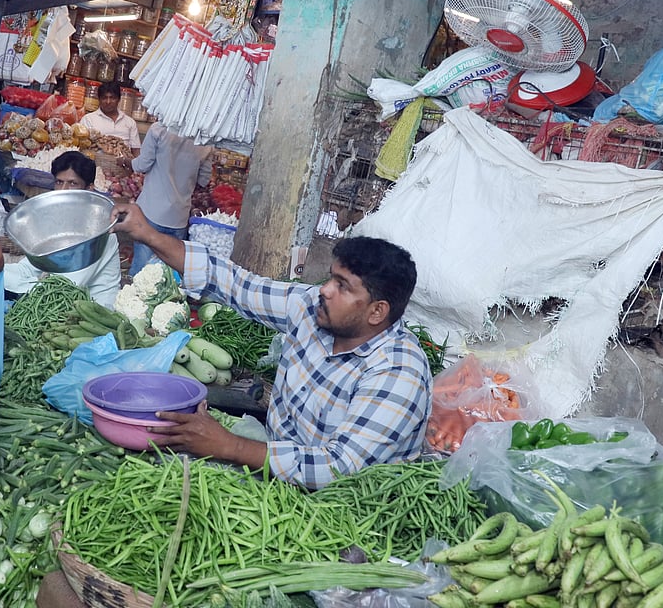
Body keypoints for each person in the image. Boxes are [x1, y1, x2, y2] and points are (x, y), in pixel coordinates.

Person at [110, 203, 431, 490]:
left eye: (342, 287)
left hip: (342, 506)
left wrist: (229, 446)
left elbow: (339, 467)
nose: (325, 291)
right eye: (331, 278)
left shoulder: (399, 371)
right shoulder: (310, 307)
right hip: (277, 462)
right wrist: (147, 233)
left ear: (377, 311)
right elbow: (234, 284)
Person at [4, 151, 122, 308]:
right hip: (61, 303)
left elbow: (65, 287)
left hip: (92, 316)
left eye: (73, 183)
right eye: (59, 182)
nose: (63, 190)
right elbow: (30, 267)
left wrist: (16, 284)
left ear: (89, 189)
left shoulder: (103, 233)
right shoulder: (57, 222)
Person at [128, 123, 212, 276]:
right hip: (179, 218)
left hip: (150, 214)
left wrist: (127, 162)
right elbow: (203, 181)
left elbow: (142, 165)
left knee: (141, 275)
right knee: (168, 278)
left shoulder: (158, 129)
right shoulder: (205, 140)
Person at [79, 82, 140, 151]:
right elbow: (82, 147)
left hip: (123, 161)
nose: (108, 102)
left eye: (112, 98)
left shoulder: (130, 122)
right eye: (104, 98)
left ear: (119, 99)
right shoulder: (88, 119)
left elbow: (136, 151)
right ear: (99, 99)